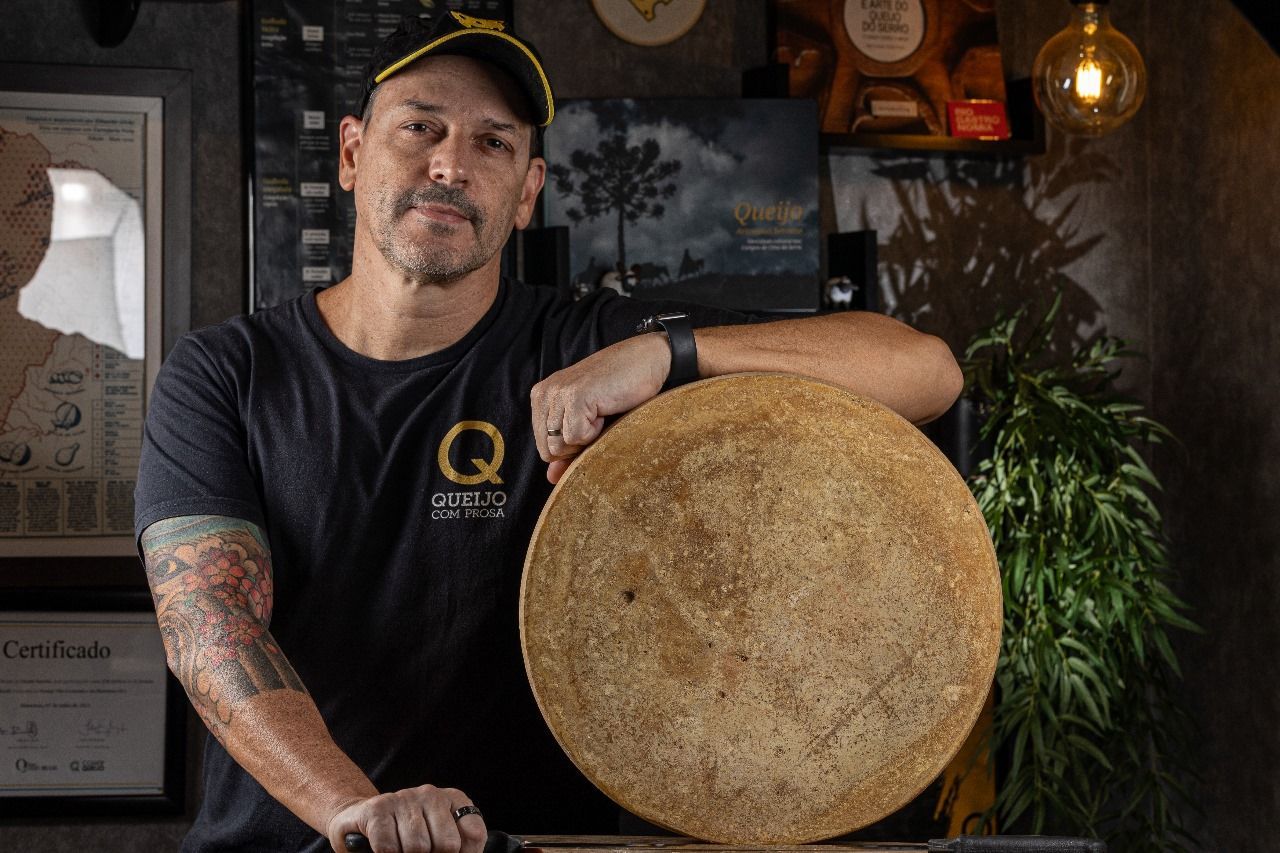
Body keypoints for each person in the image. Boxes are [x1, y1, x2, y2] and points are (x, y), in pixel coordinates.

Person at [135, 10, 963, 853]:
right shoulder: (225, 375)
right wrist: (355, 809)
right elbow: (212, 629)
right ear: (352, 153)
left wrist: (664, 354)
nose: (452, 162)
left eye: (495, 143)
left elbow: (926, 372)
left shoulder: (580, 345)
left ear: (527, 192)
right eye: (421, 126)